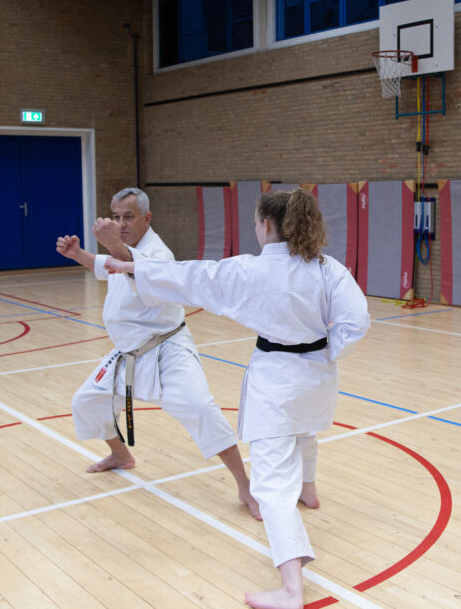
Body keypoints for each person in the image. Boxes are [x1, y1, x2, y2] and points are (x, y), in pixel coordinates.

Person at [103, 189, 370, 609]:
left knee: (270, 484)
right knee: (304, 430)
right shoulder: (327, 267)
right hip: (318, 373)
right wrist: (326, 349)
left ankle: (290, 589)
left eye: (255, 223)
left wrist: (127, 265)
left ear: (266, 225)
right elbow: (357, 322)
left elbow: (191, 277)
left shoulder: (250, 270)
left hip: (276, 378)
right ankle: (310, 489)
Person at [55, 187, 260, 520]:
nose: (121, 224)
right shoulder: (125, 249)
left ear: (147, 218)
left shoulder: (157, 253)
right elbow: (106, 263)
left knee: (199, 408)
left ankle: (245, 485)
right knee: (87, 401)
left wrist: (112, 245)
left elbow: (135, 269)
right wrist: (78, 253)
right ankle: (121, 455)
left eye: (129, 217)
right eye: (116, 217)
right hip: (127, 353)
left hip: (167, 349)